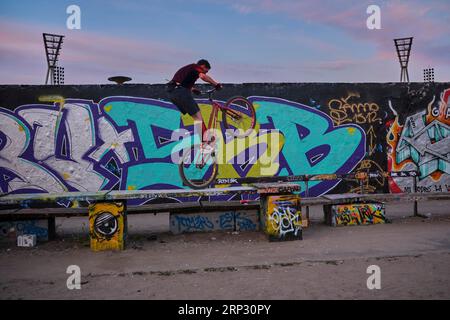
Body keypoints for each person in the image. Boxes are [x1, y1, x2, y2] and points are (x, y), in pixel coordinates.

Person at [167, 59, 222, 144]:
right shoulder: (195, 67)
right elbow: (203, 77)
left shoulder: (189, 69)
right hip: (181, 92)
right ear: (202, 66)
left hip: (173, 94)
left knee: (196, 116)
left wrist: (192, 89)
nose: (205, 73)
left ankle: (204, 140)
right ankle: (204, 139)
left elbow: (180, 82)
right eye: (205, 71)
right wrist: (216, 84)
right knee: (198, 116)